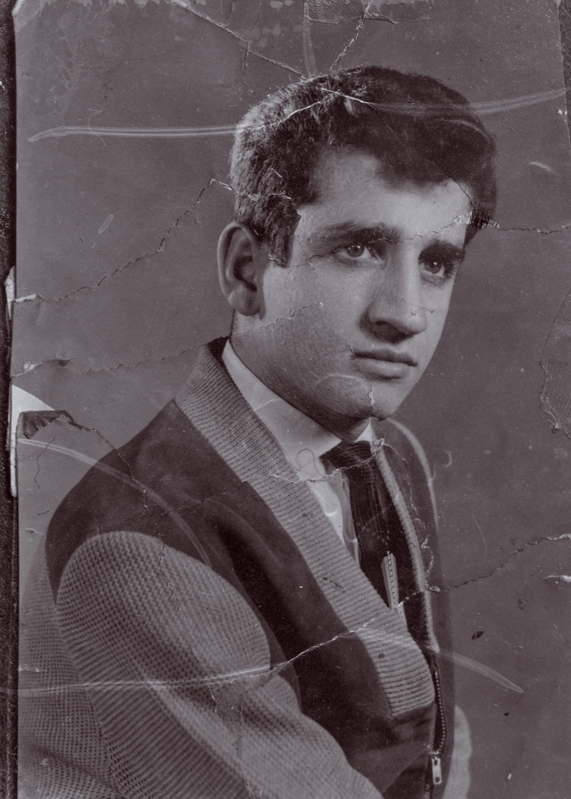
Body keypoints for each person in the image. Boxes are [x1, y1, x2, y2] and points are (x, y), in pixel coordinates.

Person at [18, 66, 496, 799]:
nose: (405, 314)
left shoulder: (390, 453)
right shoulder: (137, 547)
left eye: (436, 263)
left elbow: (429, 722)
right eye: (358, 248)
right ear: (246, 271)